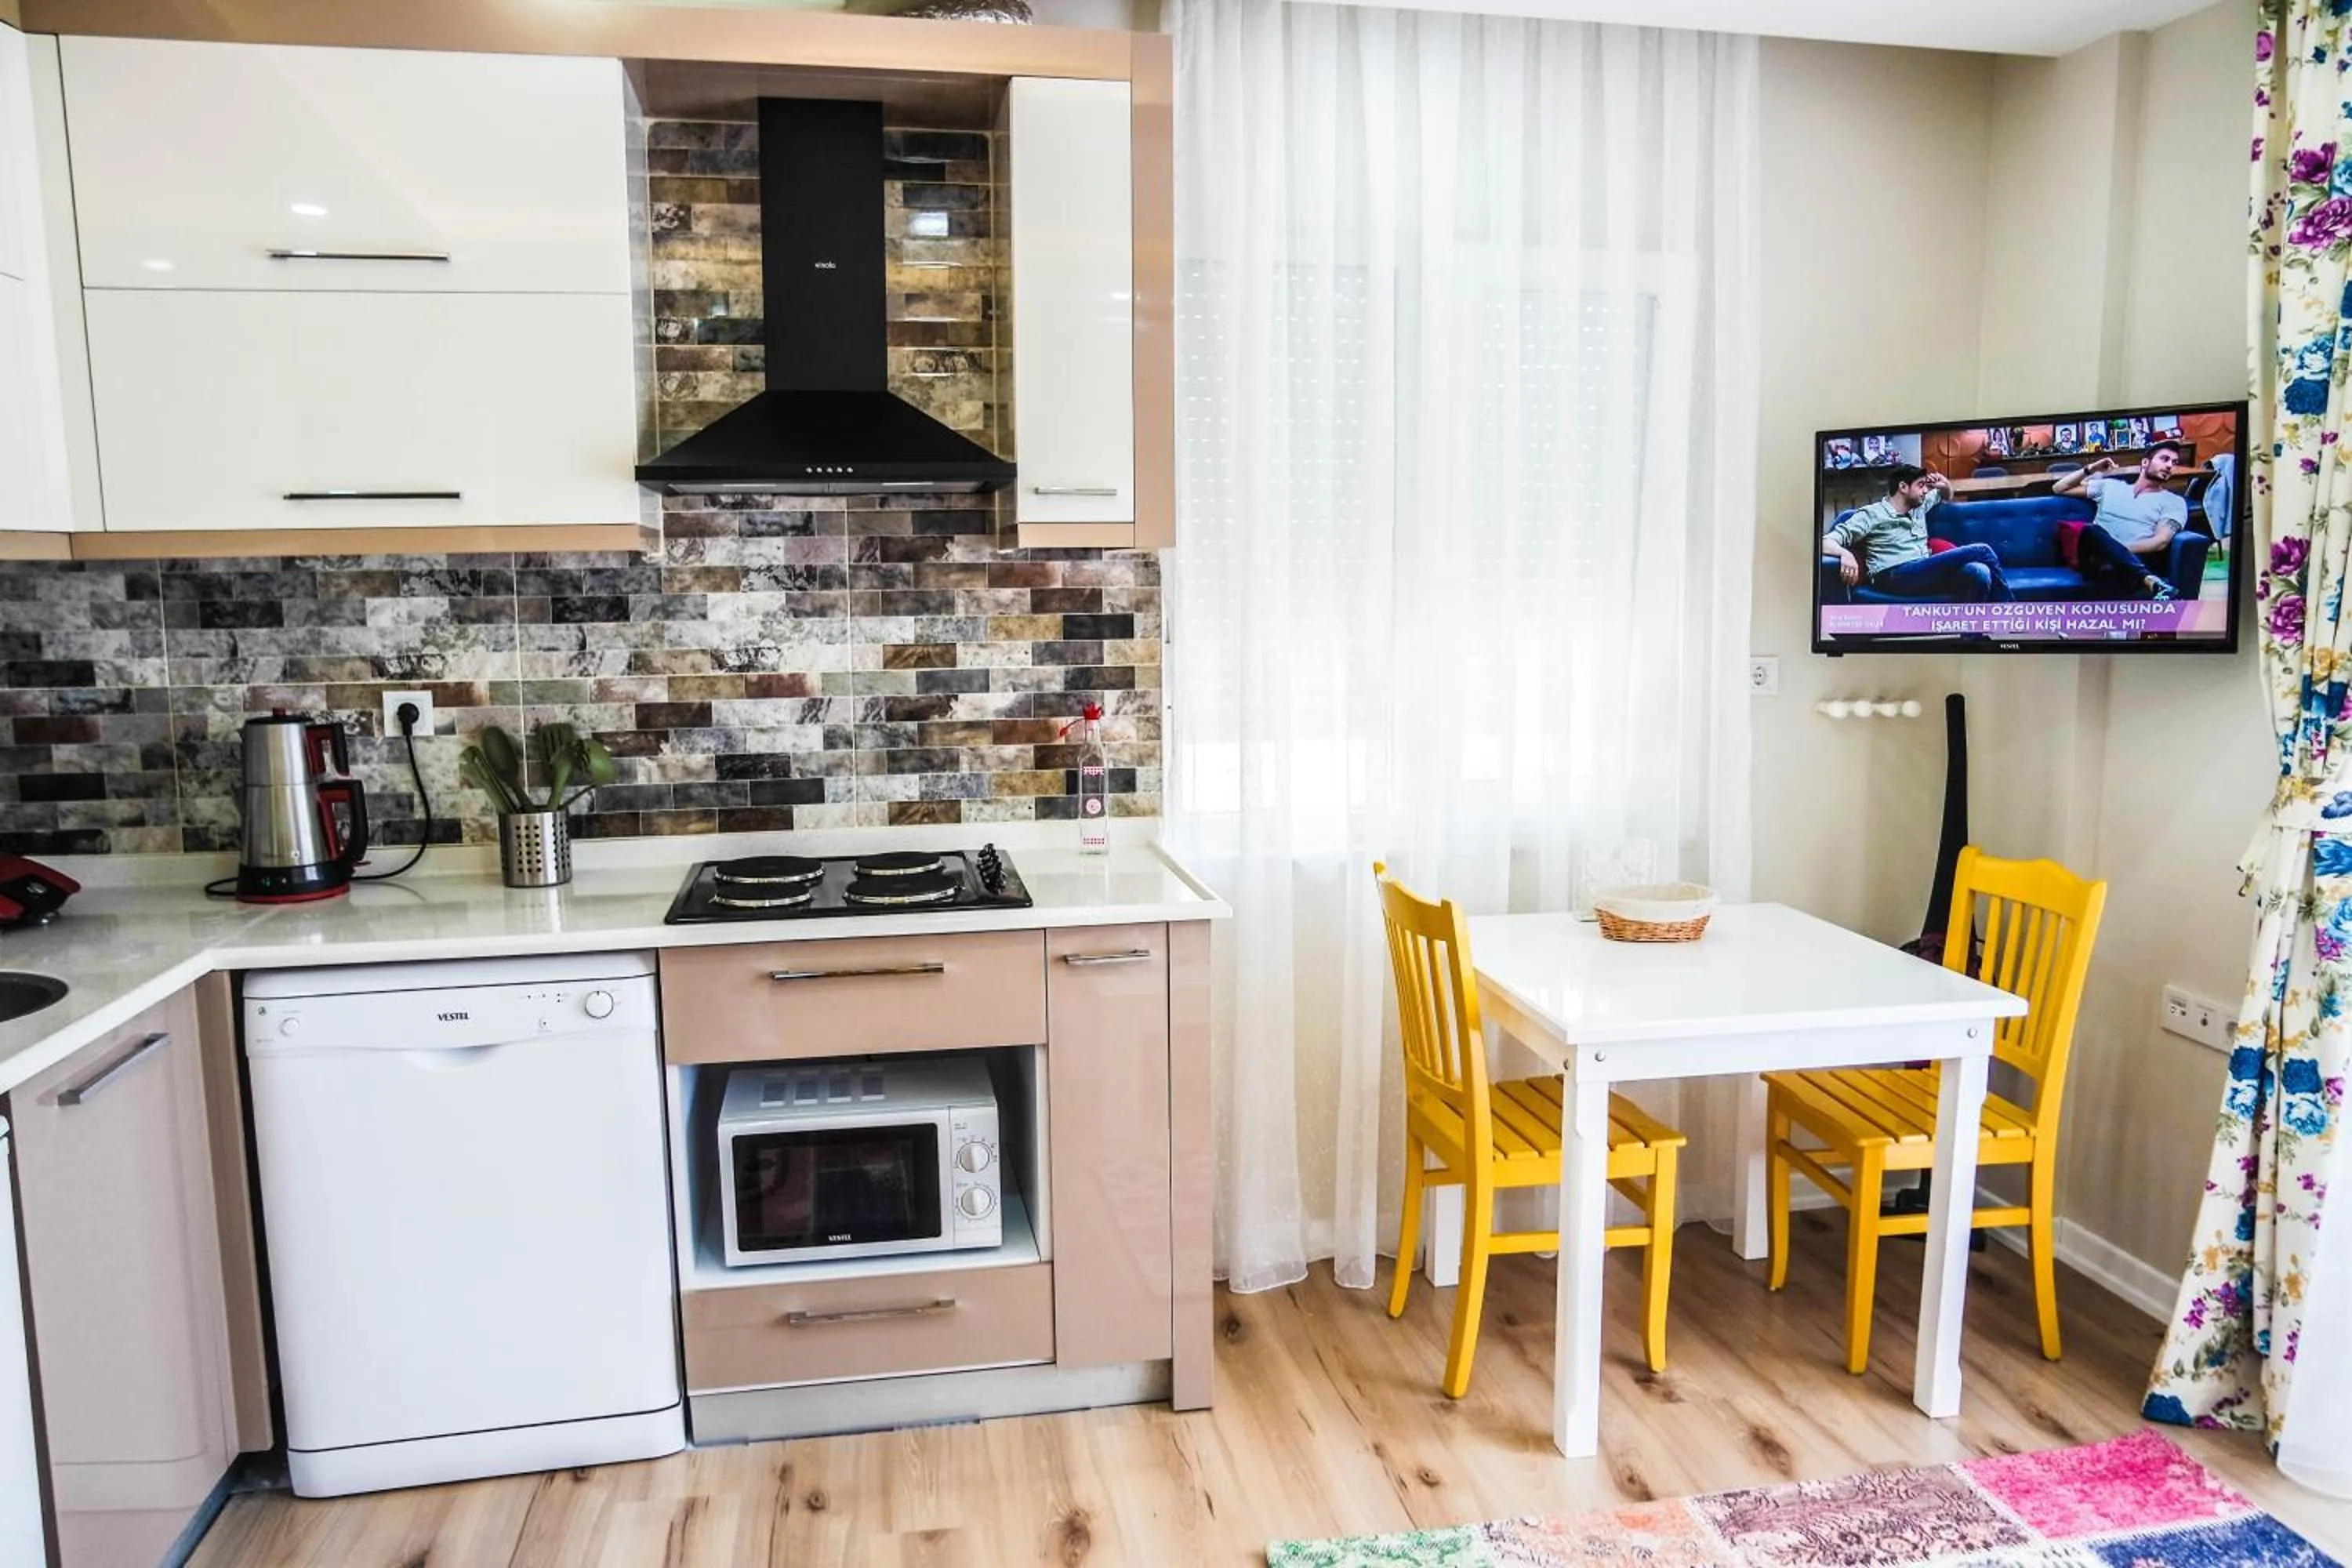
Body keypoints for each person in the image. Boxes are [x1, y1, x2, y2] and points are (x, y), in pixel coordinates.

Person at [1822, 464, 2012, 602]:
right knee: (1982, 550)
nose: (1925, 490)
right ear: (1903, 487)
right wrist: (1845, 554)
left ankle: (1971, 641)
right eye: (1920, 485)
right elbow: (1825, 542)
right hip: (1893, 575)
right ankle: (2011, 614)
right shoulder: (1872, 514)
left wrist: (1944, 483)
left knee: (1978, 571)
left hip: (1922, 572)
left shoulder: (1918, 506)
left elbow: (1945, 495)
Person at [2052, 441, 2188, 601]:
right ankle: (2151, 582)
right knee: (2090, 531)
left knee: (2112, 569)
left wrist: (2115, 550)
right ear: (2145, 462)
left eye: (2174, 462)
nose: (2170, 466)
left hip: (2135, 560)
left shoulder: (2174, 502)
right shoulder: (2109, 487)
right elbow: (2059, 488)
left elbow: (2160, 541)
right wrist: (2092, 468)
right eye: (2164, 459)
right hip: (2095, 560)